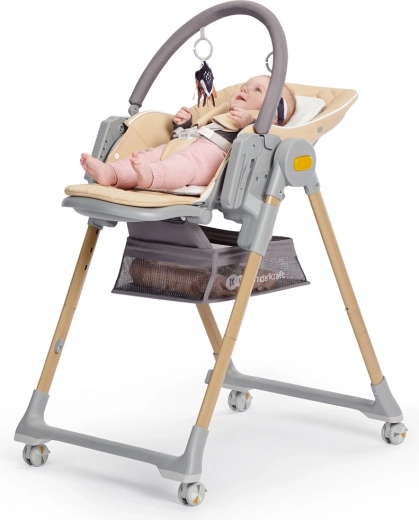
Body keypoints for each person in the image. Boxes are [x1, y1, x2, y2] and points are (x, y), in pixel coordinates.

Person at [80, 75, 295, 191]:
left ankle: (151, 176)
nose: (244, 89)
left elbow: (264, 139)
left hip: (211, 158)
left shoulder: (262, 127)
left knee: (183, 165)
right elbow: (198, 132)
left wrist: (252, 123)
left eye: (257, 90)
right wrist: (183, 126)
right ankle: (112, 173)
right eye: (245, 86)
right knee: (148, 155)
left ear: (274, 113)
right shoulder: (220, 114)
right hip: (187, 144)